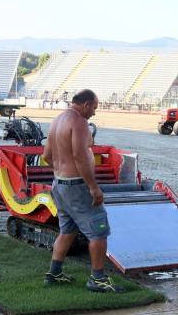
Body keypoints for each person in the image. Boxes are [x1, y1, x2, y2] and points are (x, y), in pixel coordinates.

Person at [42, 89, 121, 293]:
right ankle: (98, 279)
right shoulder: (78, 122)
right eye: (94, 107)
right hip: (77, 186)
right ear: (85, 104)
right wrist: (93, 187)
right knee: (99, 230)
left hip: (59, 184)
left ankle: (54, 272)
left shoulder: (57, 120)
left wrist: (61, 169)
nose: (94, 113)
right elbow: (79, 155)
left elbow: (47, 155)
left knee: (67, 229)